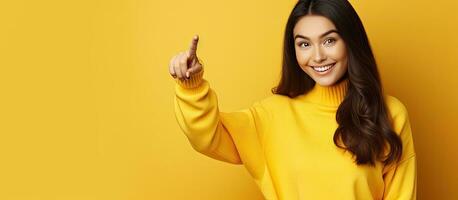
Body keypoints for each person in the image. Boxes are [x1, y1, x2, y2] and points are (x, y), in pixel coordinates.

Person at [168, 0, 417, 199]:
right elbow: (206, 138)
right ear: (293, 50)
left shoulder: (390, 113)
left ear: (350, 42)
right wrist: (193, 87)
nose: (317, 56)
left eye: (329, 40)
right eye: (304, 44)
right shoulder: (272, 115)